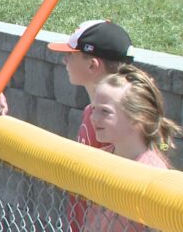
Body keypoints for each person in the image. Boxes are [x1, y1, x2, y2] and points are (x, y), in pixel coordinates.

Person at [47, 20, 135, 231]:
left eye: (71, 55)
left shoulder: (116, 122)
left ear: (92, 65)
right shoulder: (93, 113)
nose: (64, 60)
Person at [84, 64, 182, 232]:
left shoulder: (151, 173)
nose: (93, 117)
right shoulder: (102, 158)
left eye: (105, 112)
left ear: (138, 118)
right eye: (94, 109)